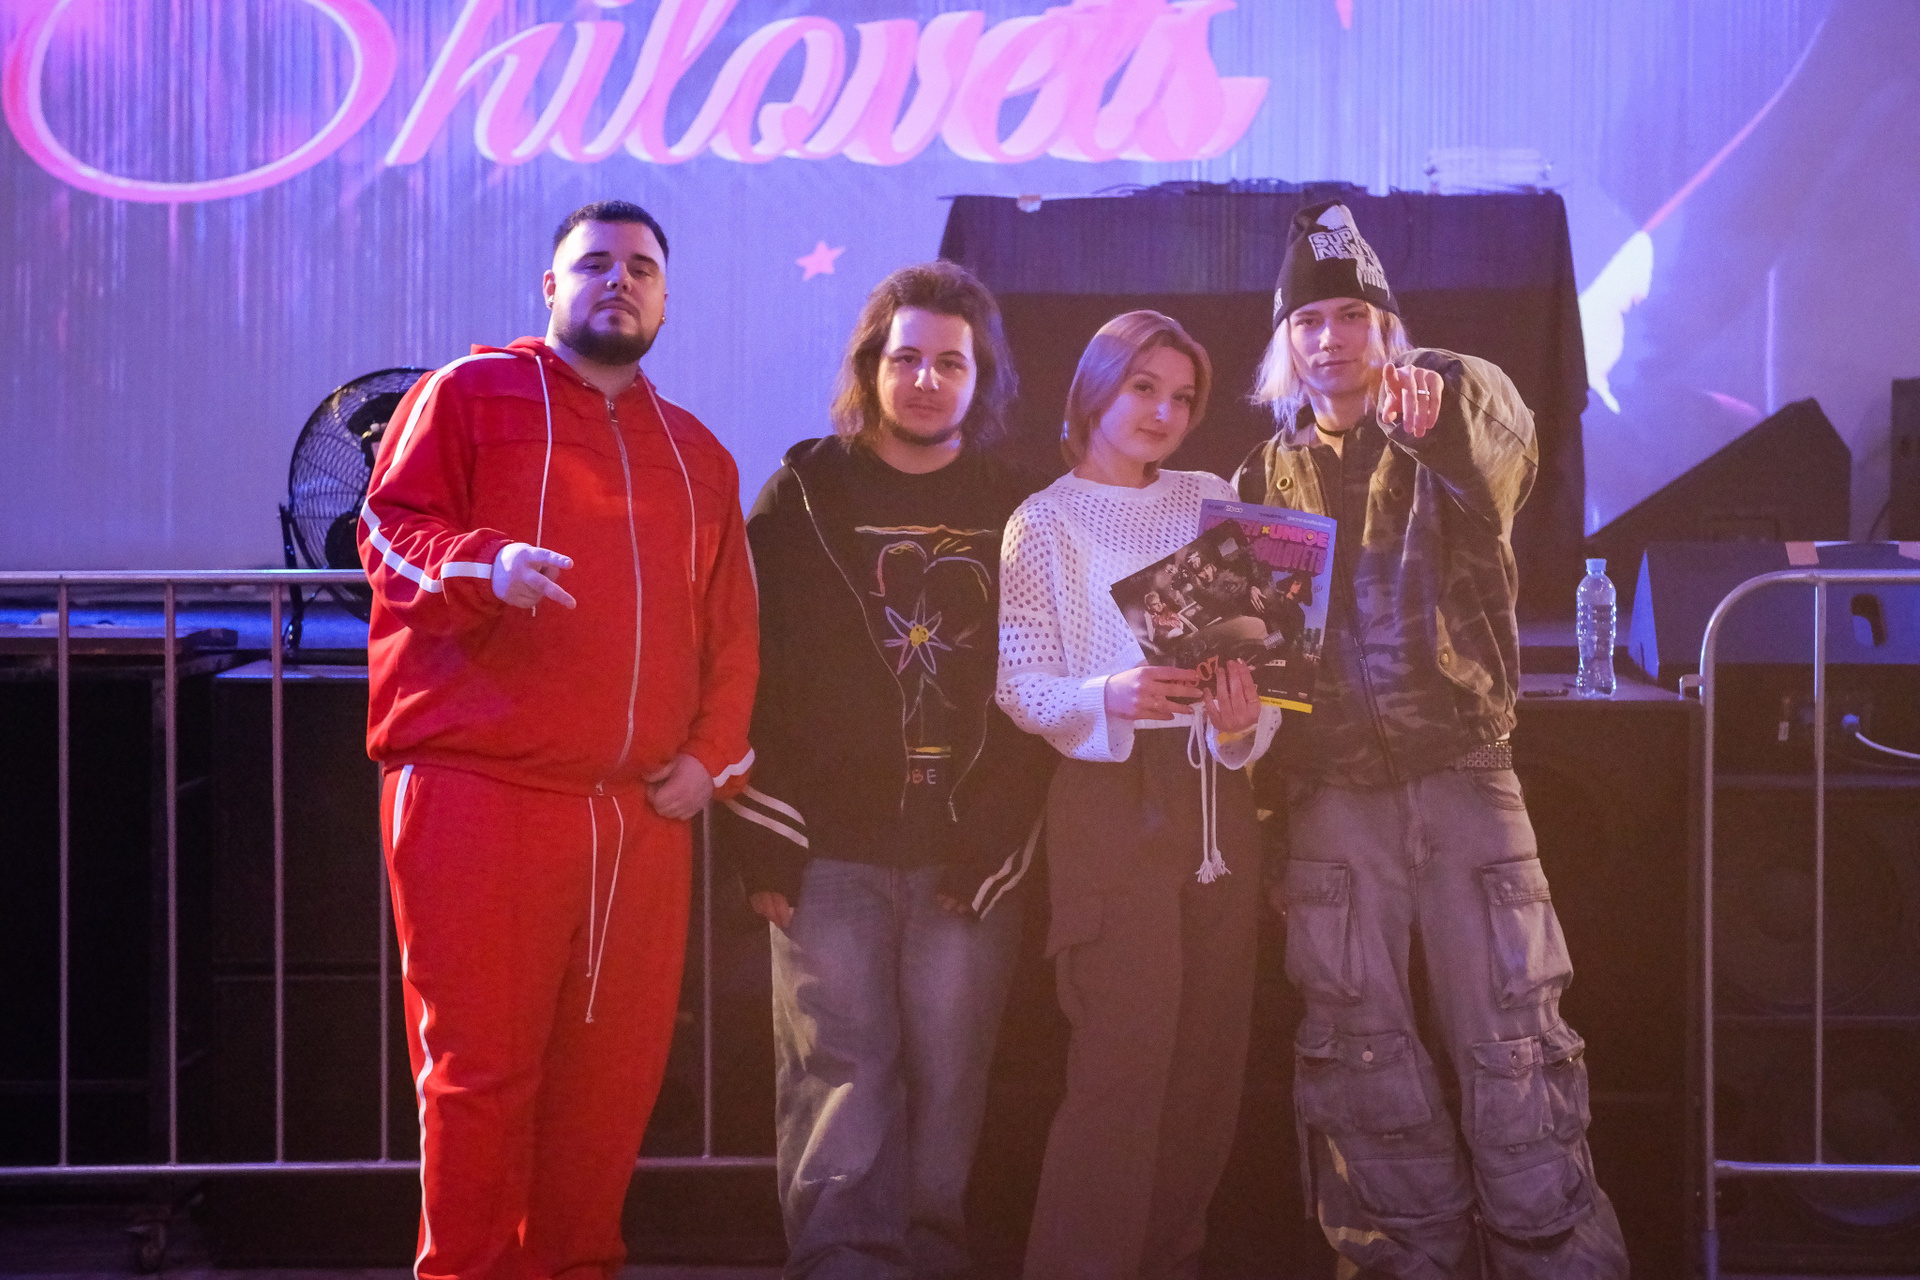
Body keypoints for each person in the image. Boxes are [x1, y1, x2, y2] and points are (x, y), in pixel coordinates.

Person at [358, 199, 758, 1280]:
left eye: (641, 268)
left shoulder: (699, 453)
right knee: (481, 1077)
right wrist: (483, 566)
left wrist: (708, 757)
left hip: (637, 816)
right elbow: (388, 526)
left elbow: (733, 630)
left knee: (611, 1086)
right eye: (594, 263)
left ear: (666, 299)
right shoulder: (467, 393)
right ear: (551, 287)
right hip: (478, 794)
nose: (618, 280)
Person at [1233, 201, 1629, 1279]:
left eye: (1352, 316)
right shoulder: (1260, 481)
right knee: (1358, 1061)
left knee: (1519, 1051)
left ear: (1386, 328)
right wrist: (1271, 827)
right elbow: (1267, 673)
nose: (1330, 338)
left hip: (1465, 779)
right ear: (1286, 342)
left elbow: (1500, 445)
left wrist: (1436, 413)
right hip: (1329, 803)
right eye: (1309, 320)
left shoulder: (1453, 410)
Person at [720, 260, 1054, 1280]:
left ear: (981, 378)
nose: (925, 379)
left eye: (950, 363)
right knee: (839, 1079)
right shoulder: (804, 491)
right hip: (828, 852)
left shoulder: (1019, 505)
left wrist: (1001, 838)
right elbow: (748, 666)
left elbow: (1039, 683)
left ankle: (933, 1262)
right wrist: (761, 838)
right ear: (871, 366)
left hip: (965, 856)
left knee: (951, 1085)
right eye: (906, 358)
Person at [997, 310, 1281, 1280]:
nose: (1163, 411)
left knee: (1206, 1069)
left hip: (1216, 798)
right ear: (1096, 389)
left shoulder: (1211, 497)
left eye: (1182, 396)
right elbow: (1021, 683)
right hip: (1111, 796)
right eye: (1143, 386)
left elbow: (1265, 666)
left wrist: (1242, 722)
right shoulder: (1044, 519)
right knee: (1122, 1066)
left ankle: (1172, 1259)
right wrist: (1107, 694)